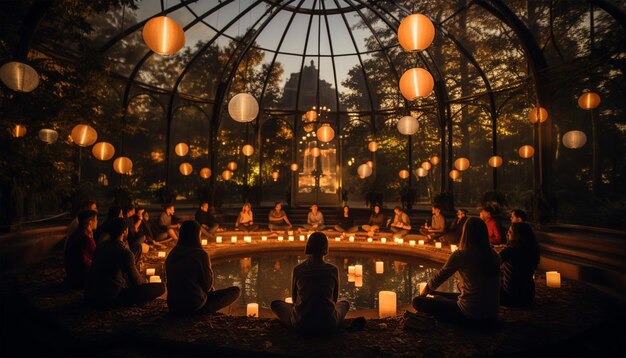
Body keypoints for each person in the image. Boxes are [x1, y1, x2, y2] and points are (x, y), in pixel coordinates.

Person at [412, 217, 501, 324]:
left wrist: (424, 292)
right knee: (437, 295)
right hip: (492, 314)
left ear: (465, 233)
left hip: (471, 314)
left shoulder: (462, 255)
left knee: (417, 302)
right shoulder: (493, 255)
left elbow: (439, 277)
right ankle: (439, 299)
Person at [271, 232, 349, 334]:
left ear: (308, 246)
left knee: (275, 304)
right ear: (326, 248)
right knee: (345, 304)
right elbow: (334, 300)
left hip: (301, 323)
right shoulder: (333, 270)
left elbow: (294, 300)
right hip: (328, 324)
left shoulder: (298, 269)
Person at [85, 218, 165, 308]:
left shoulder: (99, 247)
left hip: (94, 294)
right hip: (113, 297)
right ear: (125, 231)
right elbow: (137, 282)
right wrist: (145, 281)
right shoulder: (124, 252)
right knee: (160, 287)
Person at [166, 221, 241, 315]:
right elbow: (207, 286)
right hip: (194, 306)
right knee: (235, 291)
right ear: (197, 236)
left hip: (174, 306)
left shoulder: (172, 253)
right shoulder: (200, 254)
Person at [500, 222, 540, 307]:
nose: (507, 233)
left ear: (518, 235)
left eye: (510, 232)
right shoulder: (532, 249)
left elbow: (491, 264)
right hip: (528, 296)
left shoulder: (511, 251)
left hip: (511, 297)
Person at [64, 210, 98, 289]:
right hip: (81, 277)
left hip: (73, 274)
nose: (97, 222)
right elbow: (97, 255)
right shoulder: (85, 238)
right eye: (96, 219)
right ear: (90, 222)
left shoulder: (78, 232)